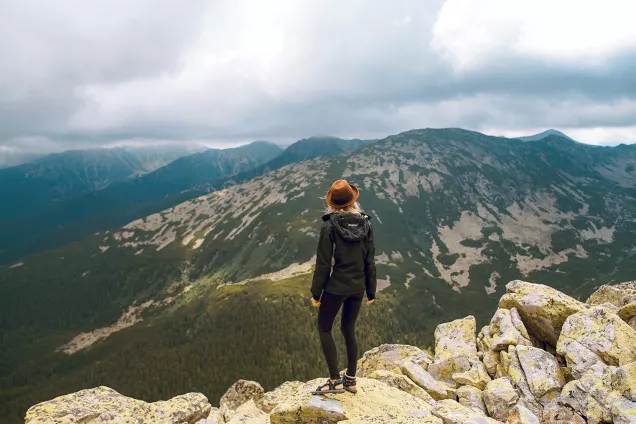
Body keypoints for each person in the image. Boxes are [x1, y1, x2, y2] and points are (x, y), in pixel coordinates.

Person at [310, 179, 377, 395]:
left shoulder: (330, 226)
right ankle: (351, 380)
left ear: (332, 204)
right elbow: (370, 261)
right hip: (357, 288)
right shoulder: (366, 224)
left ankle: (334, 380)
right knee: (349, 329)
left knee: (324, 328)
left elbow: (322, 263)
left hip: (336, 286)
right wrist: (371, 291)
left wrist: (316, 293)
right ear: (353, 202)